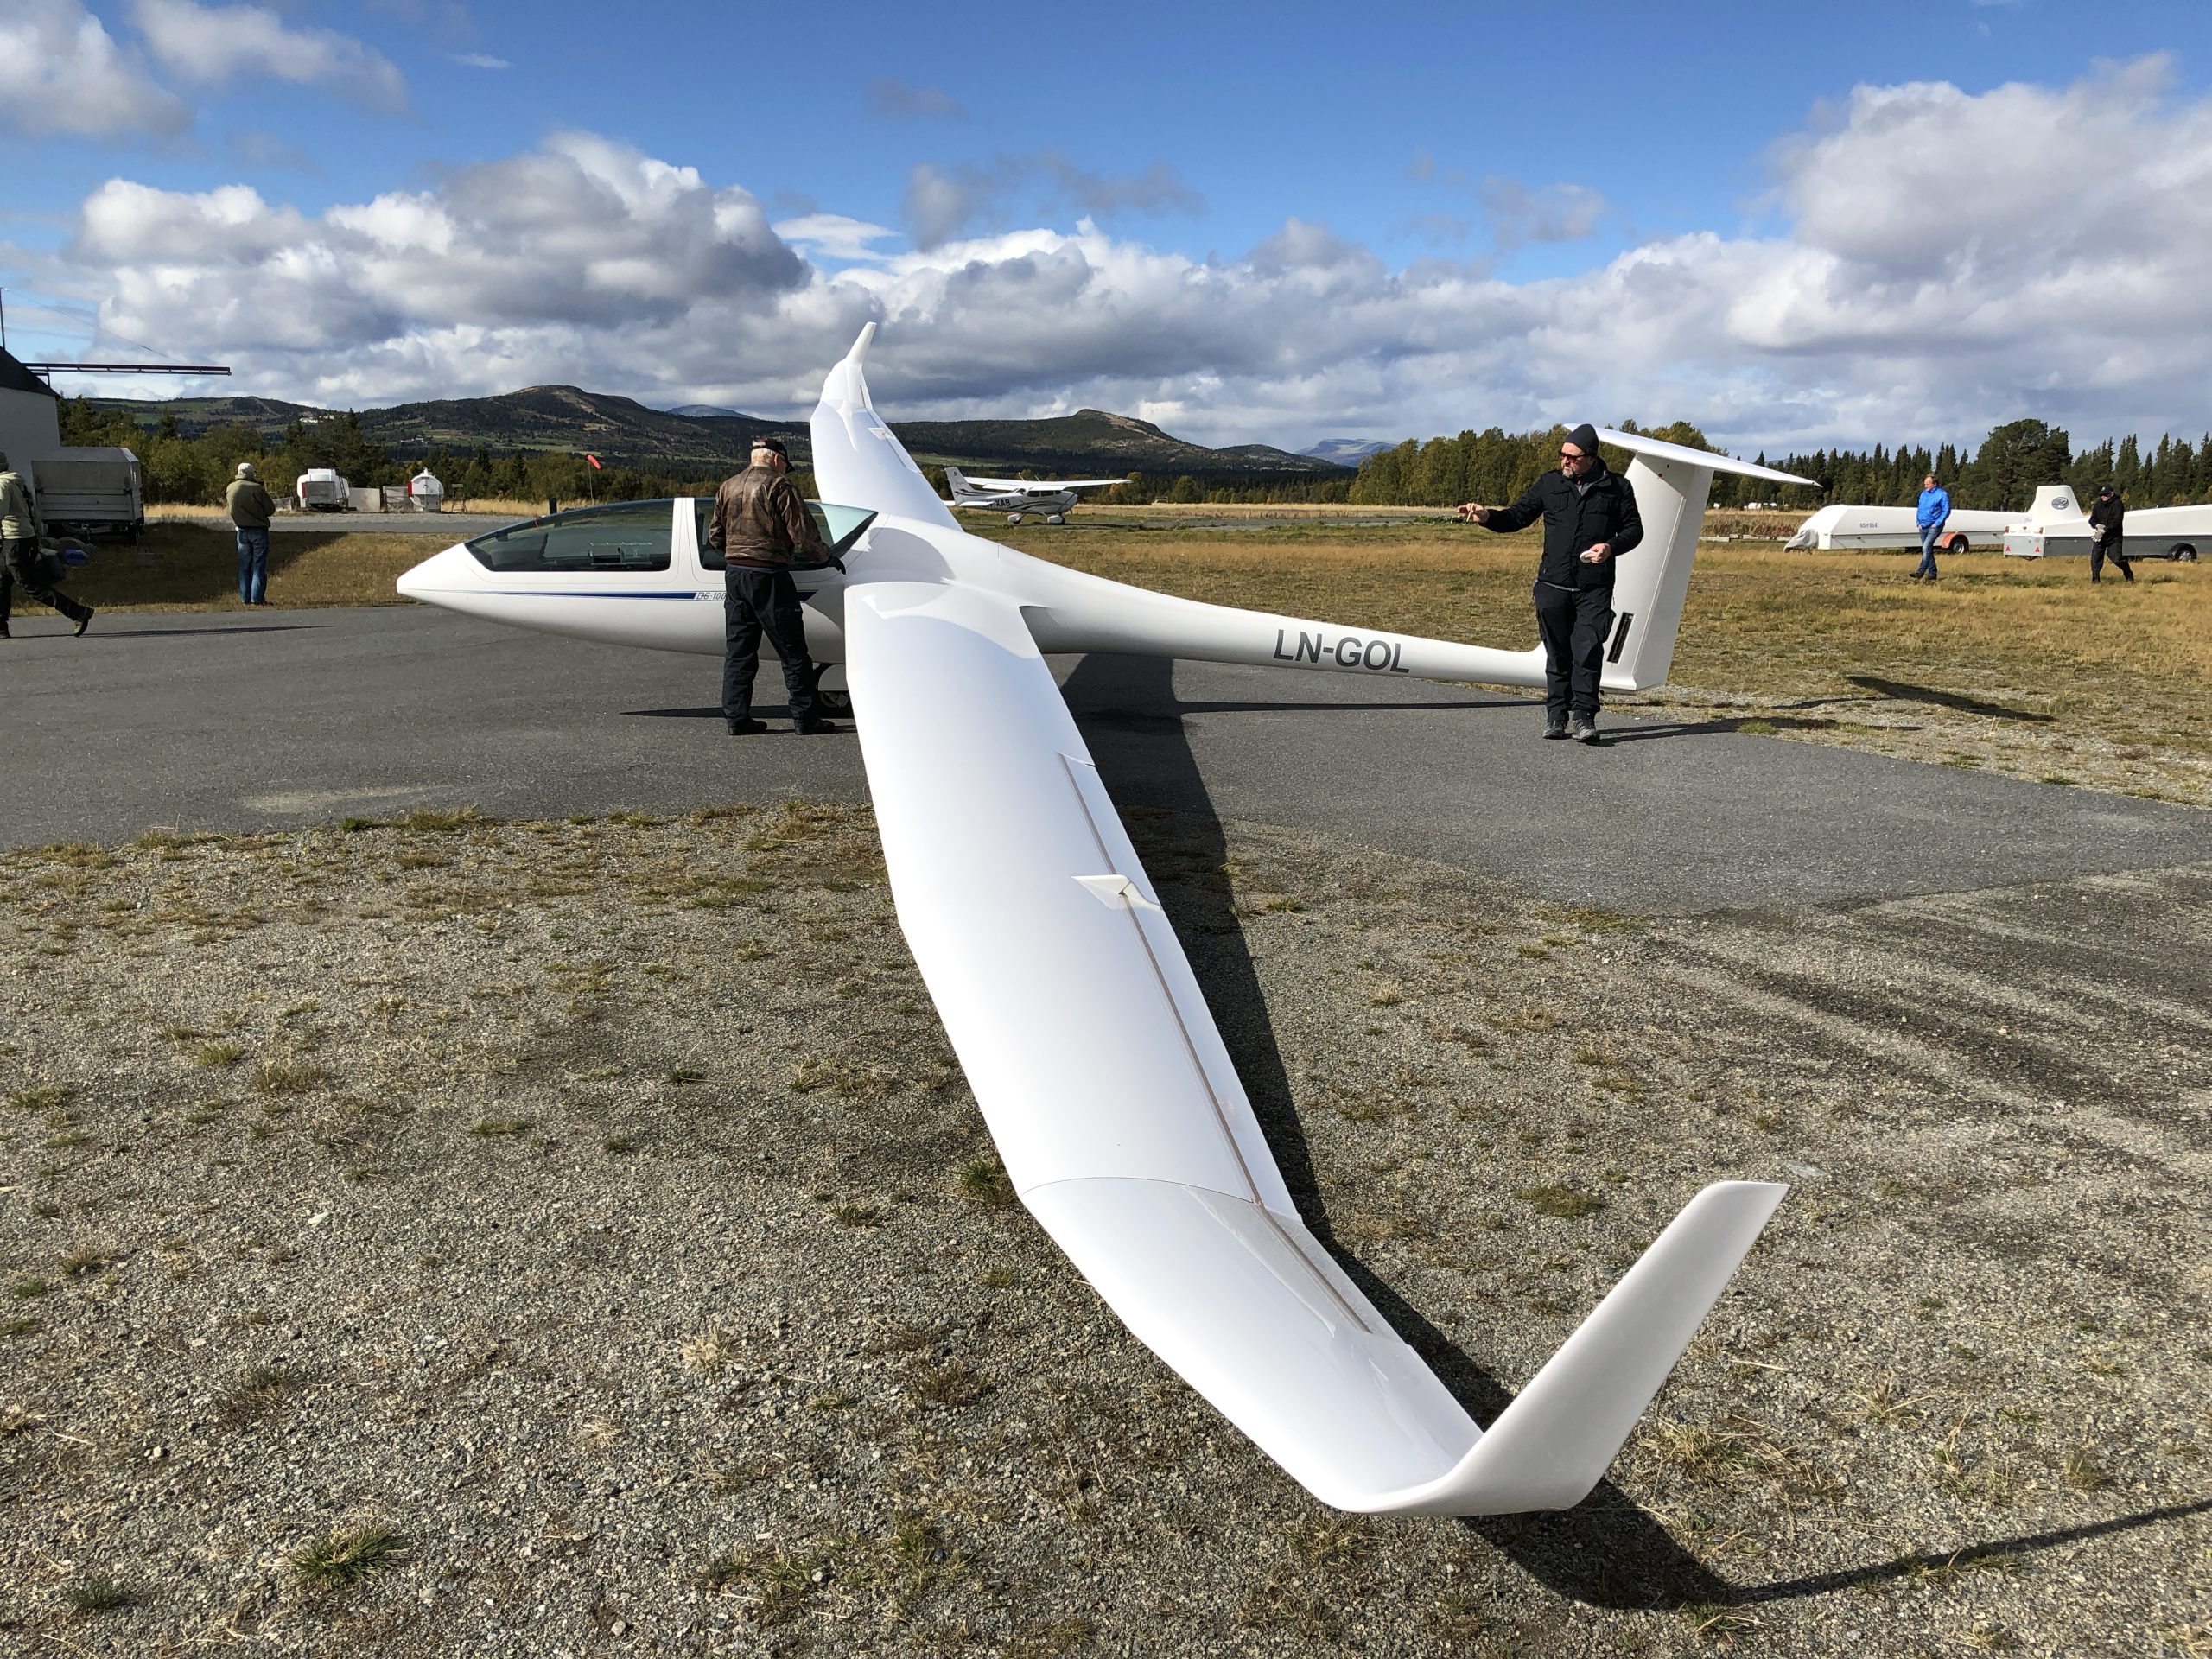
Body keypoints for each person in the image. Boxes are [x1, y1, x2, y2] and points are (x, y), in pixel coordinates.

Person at [1455, 423, 1643, 744]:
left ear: (1591, 457)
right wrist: (1487, 517)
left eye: (1572, 457)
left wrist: (1610, 547)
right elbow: (1517, 517)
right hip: (1552, 586)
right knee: (1557, 655)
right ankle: (1556, 716)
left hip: (1594, 589)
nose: (1564, 461)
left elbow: (1634, 530)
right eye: (1562, 455)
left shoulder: (1618, 487)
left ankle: (1584, 717)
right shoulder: (1549, 483)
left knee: (1587, 651)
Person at [709, 436, 840, 735]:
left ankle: (736, 718)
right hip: (769, 575)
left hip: (735, 575)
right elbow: (803, 535)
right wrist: (827, 557)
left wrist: (737, 554)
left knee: (739, 651)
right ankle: (805, 718)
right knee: (793, 651)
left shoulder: (727, 486)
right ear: (776, 459)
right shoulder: (779, 486)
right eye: (785, 465)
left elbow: (716, 536)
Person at [0, 449, 94, 639]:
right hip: (22, 538)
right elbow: (33, 510)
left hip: (14, 540)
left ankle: (77, 612)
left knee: (30, 585)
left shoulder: (2, 485)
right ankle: (1, 627)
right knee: (1, 581)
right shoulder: (17, 482)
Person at [226, 461, 276, 605]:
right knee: (258, 565)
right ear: (251, 474)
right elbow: (270, 510)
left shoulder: (231, 488)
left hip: (241, 531)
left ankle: (245, 598)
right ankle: (257, 598)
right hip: (258, 530)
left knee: (244, 565)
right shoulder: (257, 489)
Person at [2087, 485, 2133, 584]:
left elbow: (2117, 522)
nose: (2103, 497)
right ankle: (2095, 580)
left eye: (2105, 495)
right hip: (2100, 536)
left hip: (2114, 537)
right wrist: (2097, 526)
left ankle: (2128, 573)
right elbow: (2092, 519)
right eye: (2101, 495)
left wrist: (2105, 529)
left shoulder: (2118, 504)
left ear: (2111, 494)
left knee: (2116, 558)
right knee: (2095, 559)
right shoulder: (2098, 504)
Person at [1912, 472, 1949, 581]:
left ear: (1934, 484)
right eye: (1925, 484)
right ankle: (1933, 574)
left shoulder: (1942, 494)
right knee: (1927, 549)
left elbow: (1946, 510)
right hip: (1922, 526)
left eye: (1928, 484)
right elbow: (1920, 508)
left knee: (1925, 547)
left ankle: (1920, 572)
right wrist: (1918, 522)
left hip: (1934, 526)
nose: (1925, 486)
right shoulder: (1923, 494)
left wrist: (1937, 523)